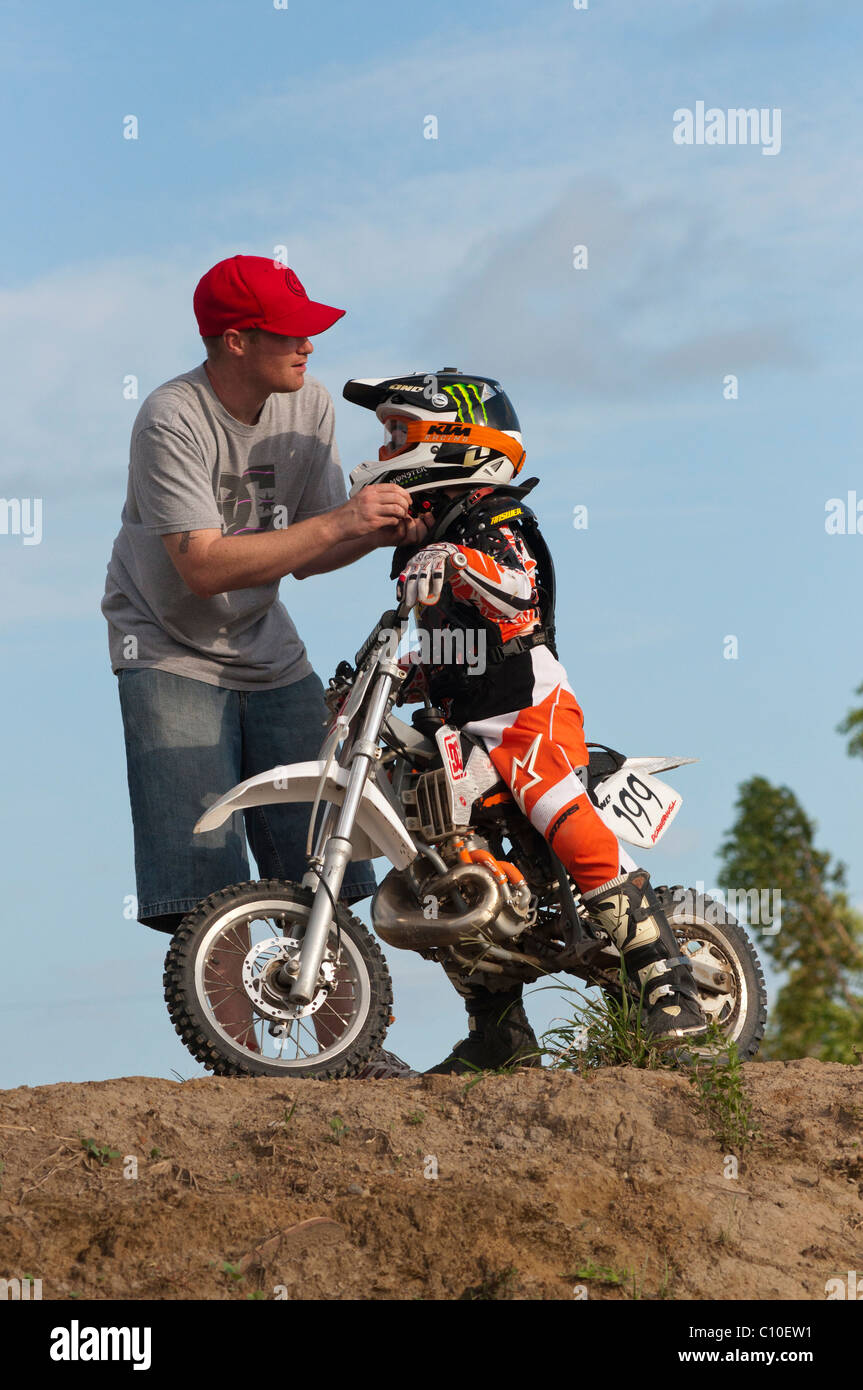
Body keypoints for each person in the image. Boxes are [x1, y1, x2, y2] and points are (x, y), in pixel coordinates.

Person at [102, 255, 429, 1056]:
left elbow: (311, 550)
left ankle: (355, 1053)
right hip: (168, 651)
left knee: (323, 860)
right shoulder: (170, 416)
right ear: (236, 339)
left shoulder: (307, 404)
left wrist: (389, 528)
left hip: (270, 653)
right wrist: (342, 523)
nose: (309, 344)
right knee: (203, 883)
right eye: (292, 330)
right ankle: (241, 1066)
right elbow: (204, 563)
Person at [343, 369, 708, 1073]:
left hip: (525, 711)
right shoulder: (427, 535)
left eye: (396, 431)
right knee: (438, 857)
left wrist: (456, 558)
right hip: (459, 725)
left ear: (448, 438)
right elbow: (451, 646)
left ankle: (671, 985)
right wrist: (388, 679)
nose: (384, 446)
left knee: (548, 798)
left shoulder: (495, 516)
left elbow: (518, 597)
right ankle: (499, 1032)